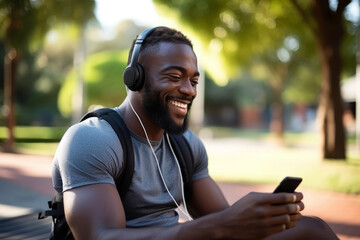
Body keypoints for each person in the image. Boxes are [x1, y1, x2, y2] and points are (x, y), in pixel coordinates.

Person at [52, 26, 339, 240]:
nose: (189, 90)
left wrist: (257, 217)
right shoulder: (93, 140)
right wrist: (222, 225)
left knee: (313, 230)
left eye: (193, 80)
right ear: (134, 78)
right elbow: (100, 237)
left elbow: (220, 220)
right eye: (174, 77)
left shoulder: (185, 145)